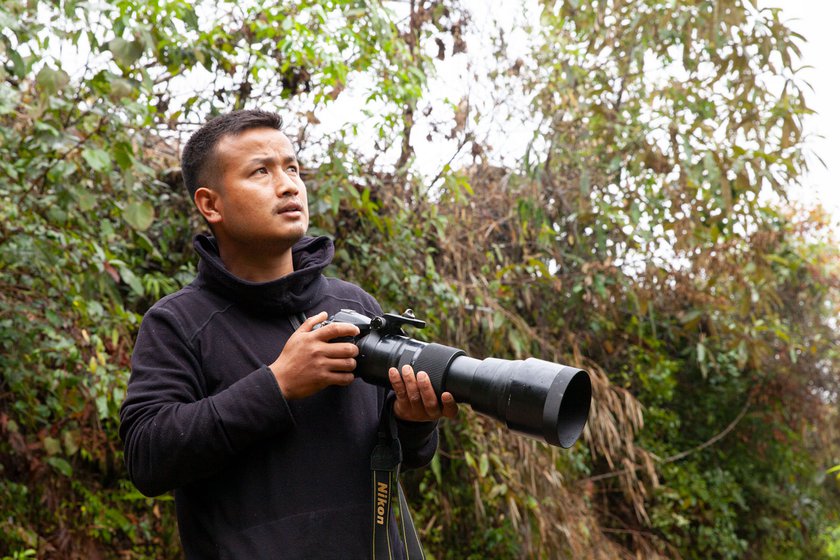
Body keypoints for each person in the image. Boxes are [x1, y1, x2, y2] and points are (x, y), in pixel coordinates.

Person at [119, 109, 458, 559]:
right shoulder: (178, 323)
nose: (288, 185)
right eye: (261, 171)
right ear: (210, 204)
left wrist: (414, 423)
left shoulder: (355, 306)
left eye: (292, 168)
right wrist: (277, 384)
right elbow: (147, 456)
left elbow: (403, 456)